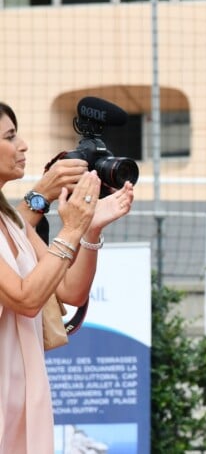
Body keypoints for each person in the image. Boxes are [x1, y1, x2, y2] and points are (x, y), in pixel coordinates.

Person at [0, 102, 134, 454]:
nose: (24, 145)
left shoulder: (10, 220)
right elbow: (25, 299)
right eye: (10, 137)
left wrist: (89, 229)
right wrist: (70, 228)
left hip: (20, 389)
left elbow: (69, 291)